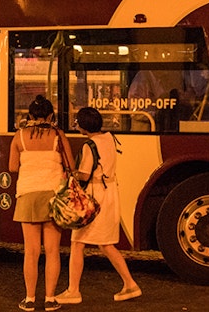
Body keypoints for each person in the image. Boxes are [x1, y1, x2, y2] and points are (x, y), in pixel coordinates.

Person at [55, 107, 141, 305]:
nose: (76, 126)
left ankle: (73, 291)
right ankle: (130, 284)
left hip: (94, 197)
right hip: (110, 193)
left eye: (77, 123)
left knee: (77, 243)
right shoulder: (110, 138)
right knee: (106, 243)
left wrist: (70, 174)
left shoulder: (89, 146)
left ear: (84, 126)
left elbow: (85, 175)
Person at [9, 95, 73, 312]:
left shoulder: (19, 137)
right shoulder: (58, 135)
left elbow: (12, 167)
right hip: (53, 197)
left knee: (31, 251)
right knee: (53, 250)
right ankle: (50, 298)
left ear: (29, 115)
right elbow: (70, 165)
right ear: (51, 116)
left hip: (27, 195)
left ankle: (29, 299)